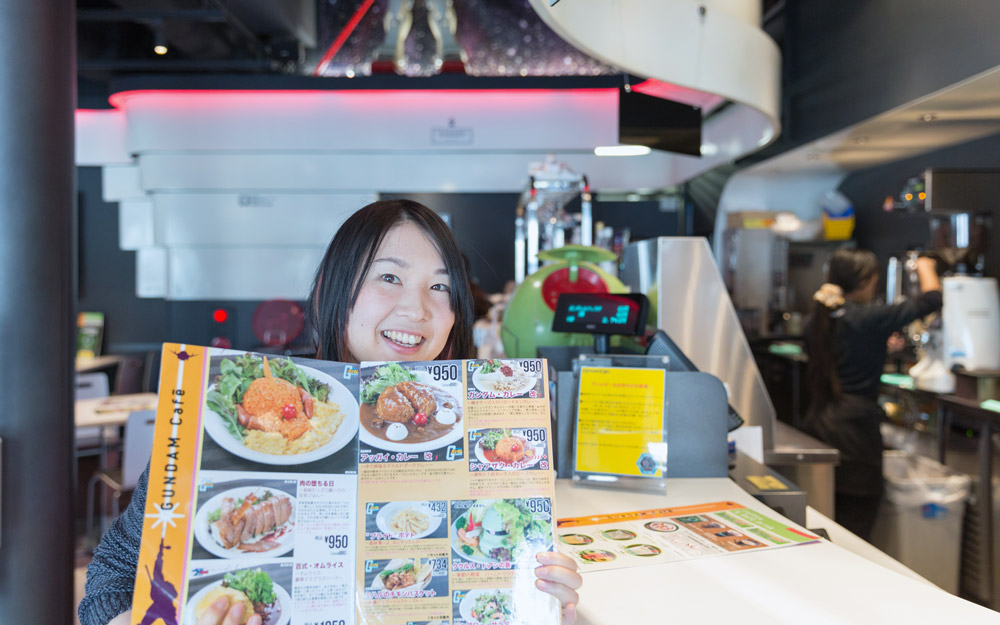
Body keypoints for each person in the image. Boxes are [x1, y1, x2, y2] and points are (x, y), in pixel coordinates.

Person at [80, 200, 583, 625]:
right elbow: (107, 585)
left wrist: (533, 595)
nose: (419, 310)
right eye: (389, 277)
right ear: (332, 289)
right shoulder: (231, 421)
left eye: (441, 287)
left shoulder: (476, 429)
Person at [802, 248, 942, 540]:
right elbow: (932, 299)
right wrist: (926, 265)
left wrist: (876, 347)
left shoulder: (817, 319)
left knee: (827, 523)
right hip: (855, 437)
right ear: (866, 281)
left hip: (819, 425)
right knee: (855, 529)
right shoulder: (869, 317)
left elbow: (844, 351)